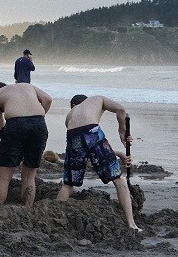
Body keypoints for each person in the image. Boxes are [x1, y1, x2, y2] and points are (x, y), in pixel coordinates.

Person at [55, 95, 141, 230]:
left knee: (69, 183)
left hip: (72, 135)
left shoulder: (69, 116)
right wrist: (122, 131)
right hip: (92, 131)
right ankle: (131, 224)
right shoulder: (98, 99)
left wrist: (115, 154)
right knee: (118, 179)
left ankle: (54, 216)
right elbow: (121, 109)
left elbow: (85, 145)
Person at [0, 81, 52, 207]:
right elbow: (47, 99)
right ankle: (27, 209)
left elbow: (1, 130)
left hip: (16, 125)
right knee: (30, 175)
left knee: (4, 176)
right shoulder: (26, 86)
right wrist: (35, 119)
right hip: (39, 124)